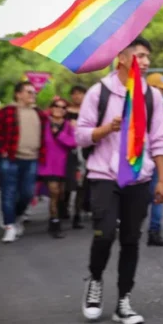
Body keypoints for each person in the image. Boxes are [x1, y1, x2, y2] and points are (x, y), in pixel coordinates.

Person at [76, 37, 163, 324]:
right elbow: (79, 135)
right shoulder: (98, 92)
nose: (145, 61)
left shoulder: (151, 96)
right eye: (140, 55)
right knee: (104, 233)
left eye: (147, 57)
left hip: (138, 179)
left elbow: (158, 141)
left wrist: (162, 180)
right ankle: (94, 281)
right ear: (122, 57)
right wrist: (106, 129)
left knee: (131, 238)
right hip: (104, 175)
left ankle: (123, 301)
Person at [0, 81, 49, 243]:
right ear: (18, 94)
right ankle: (9, 226)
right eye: (29, 92)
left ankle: (16, 216)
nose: (32, 95)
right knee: (8, 193)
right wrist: (0, 150)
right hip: (10, 159)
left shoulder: (40, 114)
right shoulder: (5, 112)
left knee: (28, 193)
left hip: (32, 159)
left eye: (34, 92)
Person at [35, 97, 77, 239]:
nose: (59, 109)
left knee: (61, 194)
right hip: (47, 165)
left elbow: (73, 143)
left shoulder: (68, 126)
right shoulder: (43, 124)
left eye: (63, 107)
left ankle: (56, 218)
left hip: (64, 165)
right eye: (57, 106)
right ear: (51, 108)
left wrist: (59, 134)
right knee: (54, 192)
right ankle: (55, 223)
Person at [145, 72, 163, 246]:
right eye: (159, 89)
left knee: (158, 195)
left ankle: (154, 231)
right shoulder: (137, 107)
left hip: (159, 158)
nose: (162, 93)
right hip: (140, 158)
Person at [64, 85, 88, 229]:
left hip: (84, 150)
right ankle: (64, 208)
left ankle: (77, 214)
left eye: (80, 93)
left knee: (82, 183)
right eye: (74, 94)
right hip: (67, 150)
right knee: (66, 182)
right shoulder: (65, 112)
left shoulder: (90, 111)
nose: (77, 96)